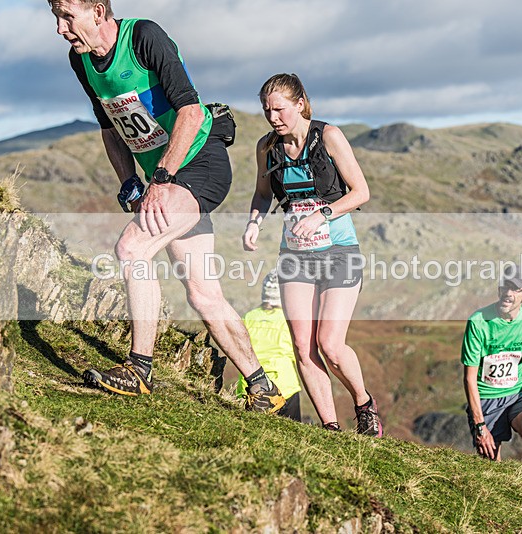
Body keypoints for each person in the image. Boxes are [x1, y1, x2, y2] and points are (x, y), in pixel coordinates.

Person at [48, 0, 285, 413]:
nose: (60, 28)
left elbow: (191, 112)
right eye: (57, 17)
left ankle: (140, 369)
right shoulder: (80, 59)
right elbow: (111, 129)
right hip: (165, 177)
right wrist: (128, 182)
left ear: (99, 12)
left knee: (132, 249)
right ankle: (263, 389)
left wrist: (159, 181)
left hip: (199, 163)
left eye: (68, 17)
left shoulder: (143, 37)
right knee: (203, 294)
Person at [242, 73, 382, 436]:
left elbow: (361, 191)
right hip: (295, 256)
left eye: (280, 109)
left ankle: (364, 404)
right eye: (266, 110)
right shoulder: (266, 147)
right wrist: (254, 222)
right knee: (303, 348)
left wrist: (323, 213)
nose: (273, 118)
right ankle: (330, 427)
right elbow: (262, 193)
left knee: (330, 344)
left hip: (339, 251)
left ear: (300, 103)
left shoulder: (328, 136)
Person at [461, 264, 522, 462]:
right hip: (486, 397)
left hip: (518, 393)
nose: (507, 293)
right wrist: (479, 425)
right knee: (491, 462)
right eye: (504, 287)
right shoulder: (478, 322)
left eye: (515, 289)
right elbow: (469, 378)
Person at [236, 270, 303, 421]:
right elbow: (299, 352)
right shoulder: (288, 320)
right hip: (285, 387)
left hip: (249, 386)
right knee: (291, 436)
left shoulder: (248, 317)